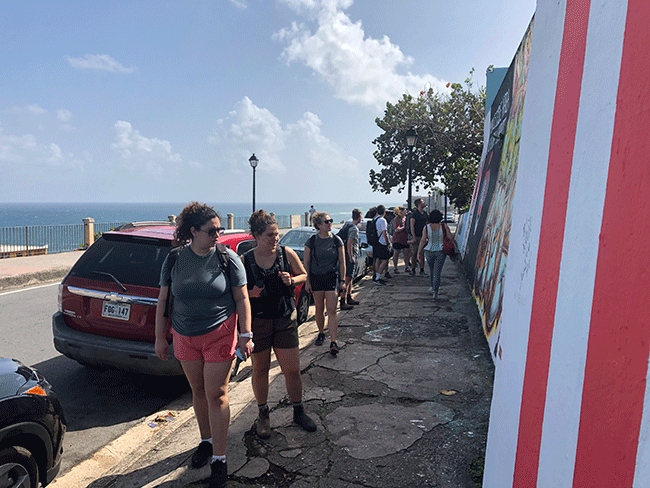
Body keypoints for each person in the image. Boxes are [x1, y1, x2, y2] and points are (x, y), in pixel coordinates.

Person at [155, 202, 252, 488]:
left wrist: (245, 335)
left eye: (219, 230)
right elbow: (164, 300)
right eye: (211, 231)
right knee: (197, 391)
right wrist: (161, 337)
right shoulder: (174, 259)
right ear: (193, 231)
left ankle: (219, 459)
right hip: (184, 335)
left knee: (216, 394)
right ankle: (206, 441)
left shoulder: (228, 258)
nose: (217, 235)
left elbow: (242, 299)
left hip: (219, 334)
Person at [242, 210, 317, 439]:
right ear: (256, 235)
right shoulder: (246, 261)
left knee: (292, 370)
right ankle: (263, 414)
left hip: (285, 319)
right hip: (259, 322)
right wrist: (250, 293)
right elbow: (237, 293)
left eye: (276, 234)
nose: (275, 238)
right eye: (269, 235)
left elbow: (304, 275)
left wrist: (292, 280)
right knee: (261, 369)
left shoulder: (286, 254)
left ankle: (298, 410)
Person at [304, 212, 346, 356]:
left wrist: (342, 281)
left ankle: (333, 342)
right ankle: (321, 332)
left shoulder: (336, 240)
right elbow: (306, 263)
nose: (330, 223)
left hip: (331, 276)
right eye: (327, 221)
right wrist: (307, 281)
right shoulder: (311, 241)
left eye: (330, 221)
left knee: (332, 310)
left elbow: (342, 262)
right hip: (316, 277)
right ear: (318, 226)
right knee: (319, 308)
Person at [418, 209, 452, 299]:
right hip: (440, 251)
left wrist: (419, 252)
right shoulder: (444, 226)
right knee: (437, 272)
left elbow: (423, 240)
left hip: (428, 251)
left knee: (431, 271)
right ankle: (435, 293)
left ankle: (432, 288)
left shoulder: (426, 227)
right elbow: (450, 237)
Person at [337, 208, 362, 309]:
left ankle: (348, 296)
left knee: (350, 277)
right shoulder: (354, 229)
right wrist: (351, 256)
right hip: (349, 255)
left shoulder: (347, 224)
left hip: (344, 254)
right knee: (347, 278)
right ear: (360, 217)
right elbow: (349, 243)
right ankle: (342, 300)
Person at [409, 198, 428, 276]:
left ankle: (422, 270)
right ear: (419, 204)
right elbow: (412, 225)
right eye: (423, 202)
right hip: (416, 235)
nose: (424, 203)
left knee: (422, 253)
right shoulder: (415, 214)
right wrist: (413, 236)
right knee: (414, 253)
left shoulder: (425, 214)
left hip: (423, 236)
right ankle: (413, 269)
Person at [372, 205, 391, 285]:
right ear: (384, 212)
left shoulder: (375, 219)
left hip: (376, 242)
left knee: (378, 260)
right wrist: (388, 242)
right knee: (385, 260)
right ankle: (378, 277)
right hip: (382, 242)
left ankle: (376, 275)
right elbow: (384, 232)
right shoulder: (382, 220)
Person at [391, 206, 410, 274]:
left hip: (405, 239)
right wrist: (404, 227)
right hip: (397, 239)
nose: (406, 212)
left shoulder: (405, 219)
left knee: (406, 254)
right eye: (405, 210)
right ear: (401, 212)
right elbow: (396, 229)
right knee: (396, 254)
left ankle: (407, 267)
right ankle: (395, 268)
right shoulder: (396, 219)